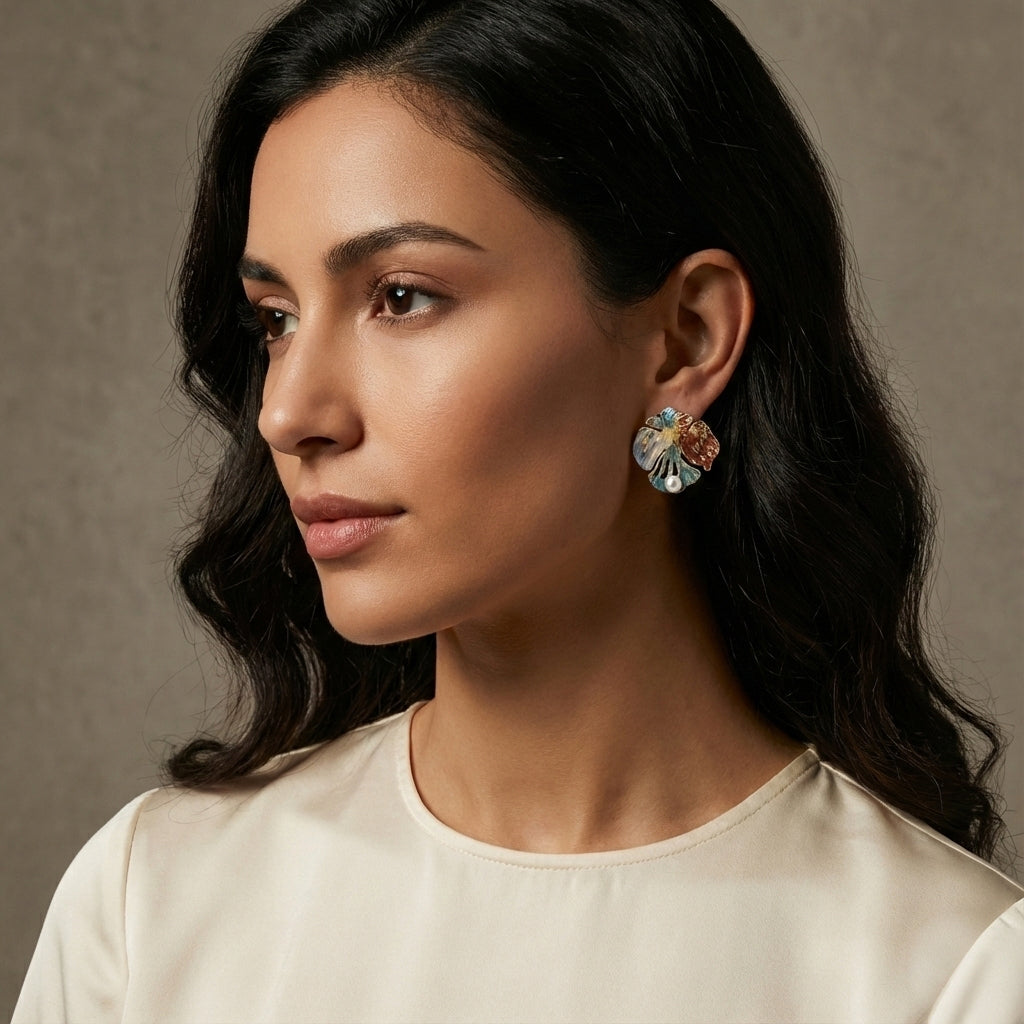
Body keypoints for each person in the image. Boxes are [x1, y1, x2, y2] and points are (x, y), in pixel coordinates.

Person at [14, 0, 1023, 1020]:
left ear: (682, 340)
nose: (287, 411)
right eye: (274, 320)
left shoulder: (947, 973)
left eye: (400, 296)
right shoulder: (151, 906)